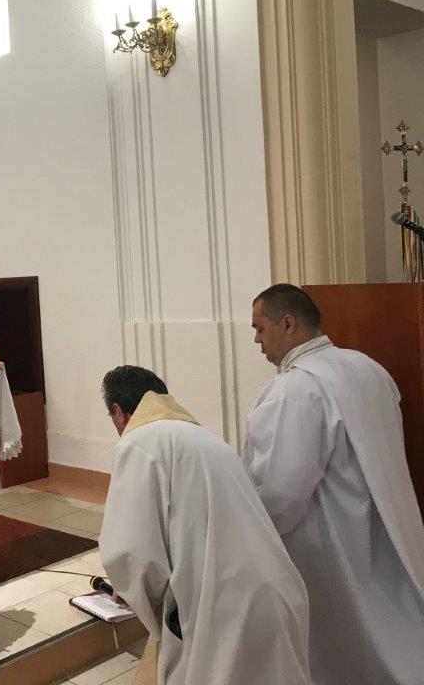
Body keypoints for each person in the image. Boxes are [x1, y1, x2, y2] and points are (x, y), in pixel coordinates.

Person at [245, 283, 424, 684]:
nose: (257, 339)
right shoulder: (367, 367)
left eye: (259, 328)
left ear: (287, 324)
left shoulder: (295, 390)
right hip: (382, 522)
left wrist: (251, 536)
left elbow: (280, 494)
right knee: (395, 623)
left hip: (331, 540)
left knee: (345, 645)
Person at [98, 365, 312, 685]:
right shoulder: (207, 438)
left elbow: (131, 551)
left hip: (224, 609)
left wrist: (134, 594)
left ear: (117, 410)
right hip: (279, 591)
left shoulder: (137, 443)